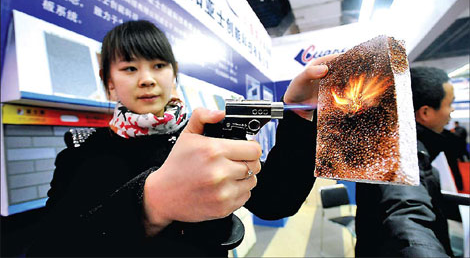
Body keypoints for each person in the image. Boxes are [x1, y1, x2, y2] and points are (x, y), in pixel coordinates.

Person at [27, 20, 337, 257]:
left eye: (158, 65)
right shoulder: (80, 154)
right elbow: (47, 248)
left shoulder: (206, 139)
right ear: (109, 84)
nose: (147, 78)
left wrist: (300, 113)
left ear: (173, 75)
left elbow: (275, 201)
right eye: (129, 67)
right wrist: (150, 204)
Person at [355, 67, 458, 257]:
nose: (452, 110)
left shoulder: (403, 144)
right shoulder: (400, 152)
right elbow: (408, 216)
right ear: (425, 112)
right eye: (450, 103)